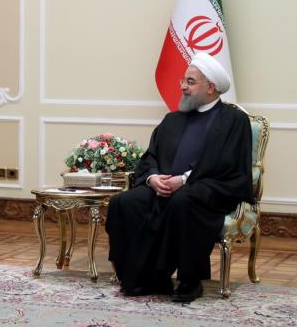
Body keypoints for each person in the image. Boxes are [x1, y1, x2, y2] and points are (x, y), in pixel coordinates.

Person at [106, 52, 252, 303]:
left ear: (211, 87)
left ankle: (190, 280)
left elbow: (227, 164)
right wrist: (152, 178)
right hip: (163, 187)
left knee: (182, 201)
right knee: (124, 202)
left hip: (211, 188)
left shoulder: (233, 120)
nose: (183, 86)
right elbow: (150, 156)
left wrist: (184, 180)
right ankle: (145, 278)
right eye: (183, 80)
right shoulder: (172, 119)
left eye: (190, 82)